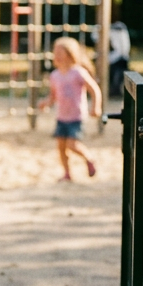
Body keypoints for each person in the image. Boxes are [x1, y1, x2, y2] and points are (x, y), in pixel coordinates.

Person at [38, 36, 103, 182]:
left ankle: (89, 159)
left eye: (60, 53)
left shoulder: (78, 73)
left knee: (72, 145)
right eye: (55, 53)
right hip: (62, 117)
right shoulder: (54, 76)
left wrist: (96, 106)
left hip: (76, 117)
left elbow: (94, 89)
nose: (57, 56)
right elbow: (53, 96)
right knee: (61, 147)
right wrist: (46, 103)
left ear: (70, 55)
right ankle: (67, 173)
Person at [108, 20, 131, 98]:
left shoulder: (117, 32)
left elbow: (122, 50)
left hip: (120, 59)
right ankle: (114, 89)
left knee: (118, 74)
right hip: (119, 58)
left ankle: (115, 89)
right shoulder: (116, 32)